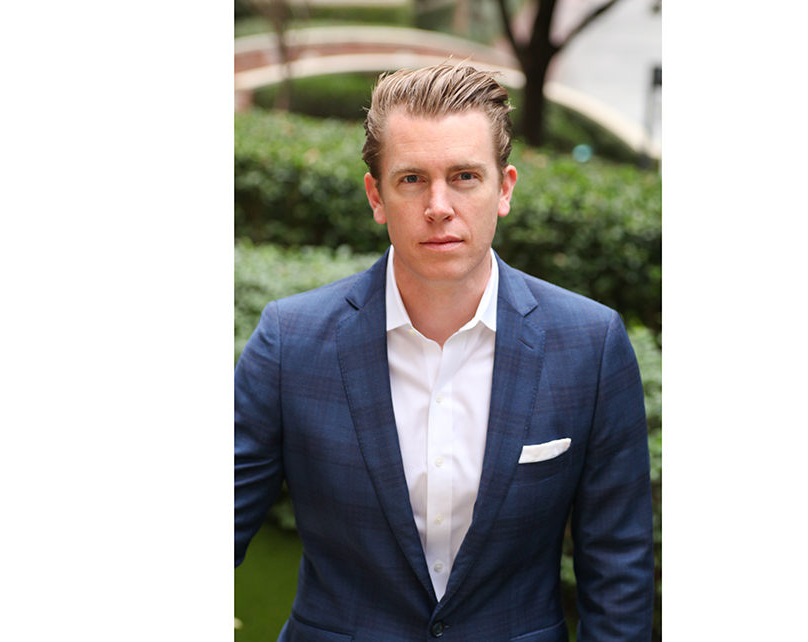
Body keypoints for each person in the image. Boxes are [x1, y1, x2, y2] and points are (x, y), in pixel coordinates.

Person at [234, 63, 653, 642]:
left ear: (504, 189)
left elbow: (618, 575)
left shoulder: (591, 345)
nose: (439, 205)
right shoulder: (290, 342)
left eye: (464, 176)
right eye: (411, 179)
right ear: (376, 196)